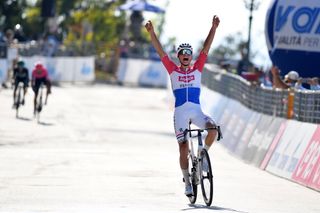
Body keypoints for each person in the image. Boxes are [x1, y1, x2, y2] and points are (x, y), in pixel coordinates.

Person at [145, 15, 220, 197]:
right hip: (180, 113)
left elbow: (206, 48)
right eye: (183, 54)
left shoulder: (197, 68)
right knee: (183, 147)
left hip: (196, 111)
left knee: (213, 130)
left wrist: (214, 28)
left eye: (189, 54)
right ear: (179, 57)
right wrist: (152, 33)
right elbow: (161, 52)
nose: (186, 56)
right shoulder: (172, 69)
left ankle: (203, 155)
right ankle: (187, 180)